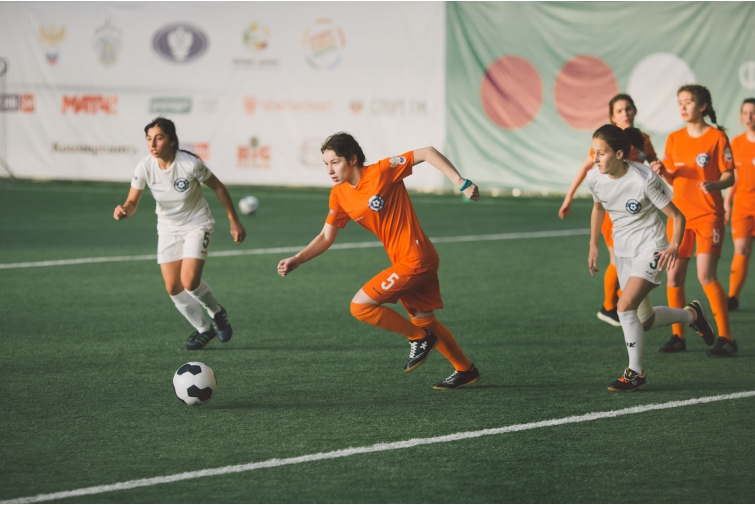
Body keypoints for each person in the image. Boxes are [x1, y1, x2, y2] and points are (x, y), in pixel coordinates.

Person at [277, 132, 480, 389]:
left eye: (335, 162)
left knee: (360, 307)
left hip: (416, 258)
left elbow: (427, 152)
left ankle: (419, 338)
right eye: (326, 164)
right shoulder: (339, 194)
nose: (329, 170)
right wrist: (298, 259)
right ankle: (465, 369)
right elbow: (326, 236)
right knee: (424, 319)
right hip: (407, 260)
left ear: (352, 159)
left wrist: (461, 182)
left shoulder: (383, 171)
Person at [587, 125, 714, 392]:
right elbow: (598, 208)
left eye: (601, 153)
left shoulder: (644, 179)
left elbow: (677, 216)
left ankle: (635, 373)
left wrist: (674, 245)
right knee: (644, 321)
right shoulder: (595, 177)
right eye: (593, 152)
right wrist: (593, 245)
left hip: (651, 247)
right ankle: (692, 315)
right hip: (623, 251)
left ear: (619, 154)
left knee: (624, 308)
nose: (595, 158)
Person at [114, 117, 246, 350]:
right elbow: (132, 203)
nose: (153, 144)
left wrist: (233, 220)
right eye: (149, 139)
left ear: (172, 141)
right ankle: (204, 330)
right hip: (167, 229)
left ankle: (216, 312)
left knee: (189, 282)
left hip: (197, 224)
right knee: (173, 287)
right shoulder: (144, 166)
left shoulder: (190, 164)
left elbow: (218, 187)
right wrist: (124, 210)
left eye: (159, 138)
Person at [652, 85, 737, 356]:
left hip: (709, 215)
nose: (683, 106)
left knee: (705, 275)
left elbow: (730, 176)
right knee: (674, 276)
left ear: (702, 106)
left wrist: (715, 184)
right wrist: (662, 171)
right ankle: (678, 337)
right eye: (680, 102)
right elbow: (671, 176)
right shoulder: (674, 138)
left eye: (688, 102)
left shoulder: (717, 137)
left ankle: (727, 338)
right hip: (679, 217)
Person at [560, 94, 659, 327]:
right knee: (617, 259)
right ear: (612, 116)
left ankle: (624, 302)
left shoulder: (643, 139)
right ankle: (608, 307)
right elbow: (586, 167)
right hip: (613, 212)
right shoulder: (607, 141)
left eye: (628, 109)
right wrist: (569, 196)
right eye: (619, 110)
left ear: (634, 111)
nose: (625, 113)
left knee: (634, 261)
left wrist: (658, 167)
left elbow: (653, 163)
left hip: (637, 214)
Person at [724, 98, 755, 310]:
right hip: (742, 206)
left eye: (753, 113)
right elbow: (734, 177)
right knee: (741, 250)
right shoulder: (736, 143)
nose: (749, 117)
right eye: (745, 113)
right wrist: (727, 202)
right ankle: (732, 297)